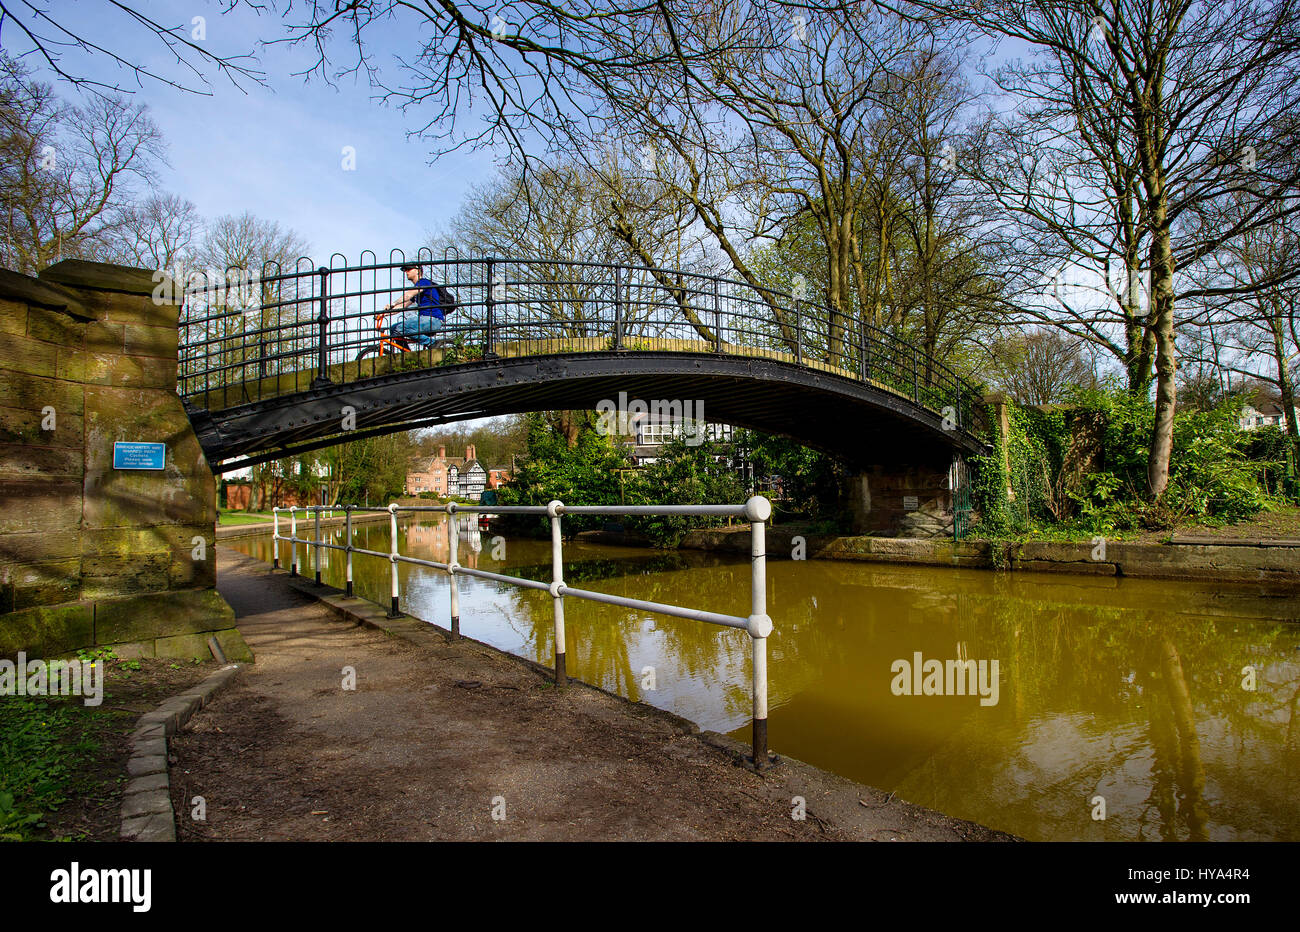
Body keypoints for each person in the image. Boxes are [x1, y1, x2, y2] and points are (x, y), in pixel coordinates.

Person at [383, 263, 446, 347]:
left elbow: (408, 295)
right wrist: (384, 313)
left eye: (409, 269)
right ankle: (405, 354)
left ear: (417, 271)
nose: (406, 272)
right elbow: (403, 306)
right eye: (405, 270)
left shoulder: (424, 282)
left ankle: (432, 343)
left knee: (400, 328)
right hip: (425, 319)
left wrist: (393, 303)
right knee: (393, 328)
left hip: (433, 319)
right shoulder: (417, 290)